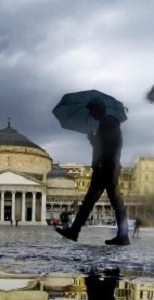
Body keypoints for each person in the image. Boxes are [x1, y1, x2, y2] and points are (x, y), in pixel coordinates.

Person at [55, 97, 130, 245]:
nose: (91, 114)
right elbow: (105, 145)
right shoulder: (109, 123)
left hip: (105, 167)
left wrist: (101, 159)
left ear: (98, 109)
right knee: (111, 202)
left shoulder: (108, 122)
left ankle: (74, 231)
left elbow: (108, 146)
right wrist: (93, 139)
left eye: (92, 110)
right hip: (109, 166)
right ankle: (122, 235)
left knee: (95, 201)